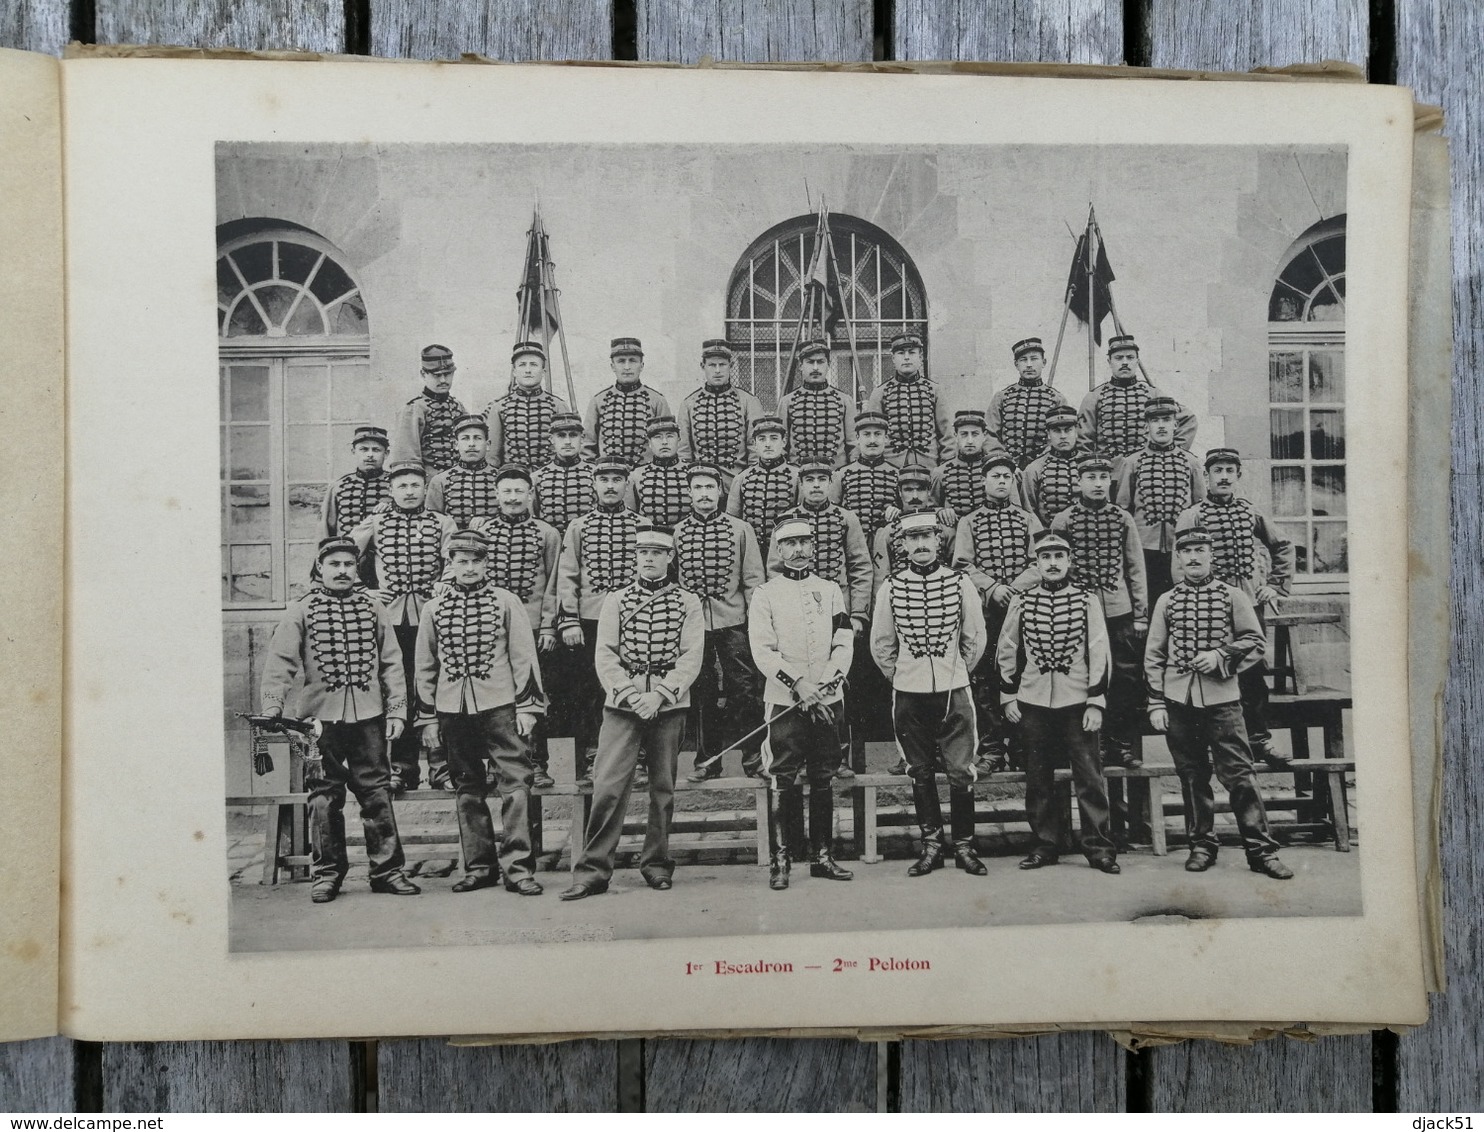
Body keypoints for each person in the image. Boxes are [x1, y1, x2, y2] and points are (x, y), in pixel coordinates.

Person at [258, 537, 418, 903]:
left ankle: (388, 871)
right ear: (320, 568)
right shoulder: (300, 610)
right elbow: (280, 662)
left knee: (376, 792)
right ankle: (327, 874)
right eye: (334, 565)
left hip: (369, 716)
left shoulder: (374, 608)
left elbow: (392, 663)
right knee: (323, 797)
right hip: (319, 721)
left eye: (349, 564)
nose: (343, 570)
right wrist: (273, 707)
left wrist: (397, 711)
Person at [560, 525, 705, 900]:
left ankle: (656, 864)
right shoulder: (617, 599)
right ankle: (593, 870)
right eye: (643, 553)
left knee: (663, 789)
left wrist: (659, 694)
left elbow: (691, 656)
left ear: (670, 558)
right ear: (635, 557)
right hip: (622, 706)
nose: (649, 559)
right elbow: (605, 654)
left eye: (657, 553)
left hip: (669, 704)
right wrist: (629, 693)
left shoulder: (688, 601)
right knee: (608, 786)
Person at [1145, 527, 1293, 880]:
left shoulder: (1232, 597)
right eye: (1187, 552)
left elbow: (1255, 642)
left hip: (1223, 701)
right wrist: (1156, 702)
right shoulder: (1167, 601)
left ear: (1211, 555)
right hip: (1179, 700)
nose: (1193, 557)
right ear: (1178, 558)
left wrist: (1221, 657)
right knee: (1192, 776)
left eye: (1200, 550)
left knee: (1240, 776)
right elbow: (1153, 654)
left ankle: (1260, 850)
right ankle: (1202, 845)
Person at [415, 530, 547, 896]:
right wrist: (427, 718)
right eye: (462, 562)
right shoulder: (433, 608)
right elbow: (424, 665)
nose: (469, 568)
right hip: (452, 710)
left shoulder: (506, 601)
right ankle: (479, 867)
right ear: (450, 565)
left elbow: (524, 657)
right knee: (468, 789)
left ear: (486, 563)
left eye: (476, 561)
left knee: (516, 785)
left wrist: (528, 707)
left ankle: (518, 868)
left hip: (501, 707)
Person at [871, 510, 988, 877]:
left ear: (939, 541)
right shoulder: (891, 586)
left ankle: (965, 846)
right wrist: (904, 674)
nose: (921, 545)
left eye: (927, 537)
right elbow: (882, 643)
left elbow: (975, 637)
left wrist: (958, 671)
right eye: (913, 538)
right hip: (909, 692)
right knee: (919, 771)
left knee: (960, 771)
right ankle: (932, 845)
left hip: (954, 690)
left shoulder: (959, 583)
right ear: (902, 544)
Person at [997, 530, 1119, 874]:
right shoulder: (1022, 600)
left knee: (1089, 776)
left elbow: (1099, 652)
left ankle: (1098, 848)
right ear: (1036, 563)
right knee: (1038, 776)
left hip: (1077, 700)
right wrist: (1009, 695)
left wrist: (1096, 701)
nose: (1052, 564)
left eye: (1058, 557)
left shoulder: (1086, 600)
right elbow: (1006, 648)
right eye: (1045, 558)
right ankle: (1045, 844)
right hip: (1034, 700)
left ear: (1069, 561)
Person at [750, 515, 856, 890]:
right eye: (789, 544)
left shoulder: (829, 590)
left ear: (813, 547)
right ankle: (781, 861)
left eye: (803, 543)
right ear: (778, 549)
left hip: (828, 698)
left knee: (824, 775)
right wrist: (797, 684)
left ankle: (822, 857)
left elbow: (844, 640)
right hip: (785, 702)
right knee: (782, 775)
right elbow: (762, 650)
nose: (797, 550)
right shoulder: (765, 594)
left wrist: (824, 684)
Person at [1175, 447, 1295, 770]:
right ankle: (1213, 742)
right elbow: (1180, 562)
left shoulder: (1250, 512)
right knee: (1209, 671)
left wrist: (1276, 584)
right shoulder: (1192, 515)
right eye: (1218, 471)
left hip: (1248, 604)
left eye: (1230, 470)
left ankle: (1257, 740)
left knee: (1253, 673)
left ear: (1238, 476)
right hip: (1208, 603)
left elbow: (1282, 544)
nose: (1224, 476)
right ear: (1207, 476)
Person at [351, 461, 458, 792]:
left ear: (425, 489)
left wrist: (445, 582)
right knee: (398, 690)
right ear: (391, 491)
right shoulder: (377, 522)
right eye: (402, 486)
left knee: (434, 687)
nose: (409, 492)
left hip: (433, 619)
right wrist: (362, 590)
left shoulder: (442, 522)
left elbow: (454, 559)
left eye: (415, 485)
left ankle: (440, 765)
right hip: (393, 620)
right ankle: (402, 766)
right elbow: (339, 553)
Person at [1050, 456, 1148, 771]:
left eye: (1102, 477)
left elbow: (1135, 567)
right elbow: (1055, 570)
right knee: (1082, 678)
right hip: (1078, 612)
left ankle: (1119, 744)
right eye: (1090, 477)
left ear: (1110, 482)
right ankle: (1089, 744)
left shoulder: (1123, 519)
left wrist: (1141, 613)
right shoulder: (1063, 520)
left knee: (1123, 678)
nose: (1096, 483)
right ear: (1078, 482)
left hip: (1118, 612)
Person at [469, 465, 564, 788]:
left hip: (535, 628)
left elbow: (554, 583)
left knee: (534, 694)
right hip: (492, 630)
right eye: (506, 491)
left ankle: (537, 764)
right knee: (495, 696)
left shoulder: (547, 533)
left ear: (530, 495)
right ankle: (499, 765)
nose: (512, 497)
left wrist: (550, 626)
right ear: (497, 495)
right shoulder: (482, 534)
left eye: (519, 491)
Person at [674, 463, 766, 783]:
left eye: (709, 487)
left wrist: (755, 622)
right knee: (702, 693)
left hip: (734, 621)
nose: (704, 494)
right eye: (697, 488)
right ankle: (708, 760)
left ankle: (753, 758)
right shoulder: (678, 532)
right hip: (695, 625)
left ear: (720, 491)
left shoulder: (741, 530)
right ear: (689, 493)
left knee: (745, 687)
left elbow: (754, 579)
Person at [952, 452, 1042, 774]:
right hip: (985, 613)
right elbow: (962, 564)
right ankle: (991, 749)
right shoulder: (969, 521)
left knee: (1020, 674)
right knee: (985, 680)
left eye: (1006, 476)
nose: (1001, 481)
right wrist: (992, 588)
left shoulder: (1028, 520)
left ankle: (1020, 747)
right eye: (995, 476)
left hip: (1023, 613)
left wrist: (1013, 589)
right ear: (984, 481)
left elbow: (1039, 562)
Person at [555, 456, 641, 784]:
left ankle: (636, 754)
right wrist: (570, 619)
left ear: (626, 484)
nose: (610, 486)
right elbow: (568, 575)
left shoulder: (641, 524)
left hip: (632, 618)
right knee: (588, 688)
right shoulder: (579, 526)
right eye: (603, 479)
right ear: (593, 484)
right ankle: (591, 755)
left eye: (616, 479)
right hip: (590, 618)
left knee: (633, 682)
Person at [1113, 395, 1205, 607]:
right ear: (1146, 426)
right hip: (1144, 549)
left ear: (1175, 424)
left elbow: (1201, 509)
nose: (1161, 426)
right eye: (1155, 421)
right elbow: (1123, 510)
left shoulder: (1190, 462)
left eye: (1166, 420)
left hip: (1181, 548)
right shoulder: (1132, 463)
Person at [1077, 334, 1195, 459]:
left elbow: (1188, 419)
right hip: (1109, 469)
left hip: (1146, 467)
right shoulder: (1094, 397)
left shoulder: (1153, 394)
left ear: (1137, 362)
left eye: (1130, 357)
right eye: (1118, 358)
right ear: (1109, 362)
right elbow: (1084, 441)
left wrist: (1170, 453)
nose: (1124, 363)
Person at [678, 339, 765, 485]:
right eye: (712, 365)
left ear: (730, 366)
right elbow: (683, 452)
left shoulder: (748, 401)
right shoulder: (689, 404)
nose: (717, 371)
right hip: (701, 485)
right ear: (703, 366)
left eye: (722, 365)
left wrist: (750, 484)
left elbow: (755, 450)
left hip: (738, 484)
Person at [863, 333, 954, 467]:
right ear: (893, 358)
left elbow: (947, 435)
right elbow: (873, 436)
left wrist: (945, 467)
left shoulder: (935, 391)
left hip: (928, 465)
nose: (906, 358)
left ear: (920, 357)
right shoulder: (880, 393)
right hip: (892, 467)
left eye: (911, 353)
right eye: (901, 353)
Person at [583, 336, 671, 467]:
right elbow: (587, 448)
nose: (627, 367)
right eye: (621, 361)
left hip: (647, 478)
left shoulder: (657, 401)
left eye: (633, 361)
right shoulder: (598, 401)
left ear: (641, 366)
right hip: (609, 477)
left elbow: (667, 445)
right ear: (613, 366)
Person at [485, 340, 573, 470]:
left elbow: (568, 450)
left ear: (543, 372)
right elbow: (493, 457)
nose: (527, 370)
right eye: (522, 365)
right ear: (514, 372)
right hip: (513, 479)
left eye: (533, 365)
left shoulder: (558, 405)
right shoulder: (499, 407)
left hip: (551, 479)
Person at [987, 337, 1070, 468]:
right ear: (1016, 365)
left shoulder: (1056, 399)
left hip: (1045, 467)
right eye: (1023, 360)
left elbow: (1062, 437)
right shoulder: (1002, 397)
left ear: (1044, 362)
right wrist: (1003, 462)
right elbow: (990, 435)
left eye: (1034, 358)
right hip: (1007, 468)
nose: (1029, 364)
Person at [726, 414, 799, 554]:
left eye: (774, 438)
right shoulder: (742, 478)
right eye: (762, 439)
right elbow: (733, 524)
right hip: (751, 553)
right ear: (754, 444)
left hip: (786, 551)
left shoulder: (797, 477)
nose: (768, 444)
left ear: (784, 442)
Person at [389, 343, 467, 473]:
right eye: (436, 375)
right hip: (430, 483)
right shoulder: (413, 409)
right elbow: (407, 459)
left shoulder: (458, 406)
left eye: (447, 374)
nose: (443, 380)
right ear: (423, 374)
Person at [779, 336, 854, 468]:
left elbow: (853, 445)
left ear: (828, 365)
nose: (815, 368)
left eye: (820, 362)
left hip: (835, 474)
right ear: (801, 366)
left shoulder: (844, 400)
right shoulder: (787, 402)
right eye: (810, 362)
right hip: (799, 474)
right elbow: (781, 446)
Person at [830, 410, 898, 552]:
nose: (872, 440)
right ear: (857, 438)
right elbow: (831, 513)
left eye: (878, 434)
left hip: (888, 549)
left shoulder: (898, 474)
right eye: (866, 434)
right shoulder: (841, 475)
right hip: (851, 547)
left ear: (886, 438)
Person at [931, 408, 1013, 527]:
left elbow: (1016, 507)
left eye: (975, 434)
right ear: (955, 436)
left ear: (984, 436)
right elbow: (930, 506)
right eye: (964, 434)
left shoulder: (999, 469)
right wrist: (940, 511)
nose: (970, 441)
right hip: (956, 533)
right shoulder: (941, 472)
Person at [425, 414, 502, 529]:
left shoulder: (501, 478)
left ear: (488, 445)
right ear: (456, 444)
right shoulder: (440, 481)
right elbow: (432, 521)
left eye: (478, 438)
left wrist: (487, 521)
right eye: (465, 438)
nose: (471, 444)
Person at [532, 411, 595, 537]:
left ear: (582, 438)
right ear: (551, 439)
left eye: (573, 435)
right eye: (561, 435)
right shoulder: (537, 477)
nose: (567, 441)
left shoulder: (595, 474)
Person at [321, 425, 390, 539]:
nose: (370, 455)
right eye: (363, 449)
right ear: (353, 451)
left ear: (386, 453)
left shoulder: (397, 484)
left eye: (376, 450)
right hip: (346, 554)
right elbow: (325, 529)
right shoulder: (338, 487)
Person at [1023, 405, 1085, 527]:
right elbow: (1029, 511)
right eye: (1056, 431)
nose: (1063, 436)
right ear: (1049, 434)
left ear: (1076, 431)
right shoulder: (1035, 469)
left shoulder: (1089, 465)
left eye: (1068, 430)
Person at [624, 415, 691, 527]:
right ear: (649, 443)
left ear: (678, 440)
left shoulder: (692, 473)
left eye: (670, 436)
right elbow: (630, 517)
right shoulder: (636, 476)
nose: (664, 442)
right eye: (657, 437)